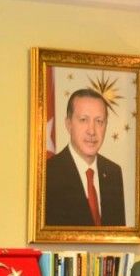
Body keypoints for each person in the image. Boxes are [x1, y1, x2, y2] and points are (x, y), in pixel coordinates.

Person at [44, 89, 126, 226]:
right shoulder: (48, 174)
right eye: (83, 120)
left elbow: (117, 235)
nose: (92, 131)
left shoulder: (113, 173)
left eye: (99, 121)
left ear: (106, 125)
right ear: (68, 124)